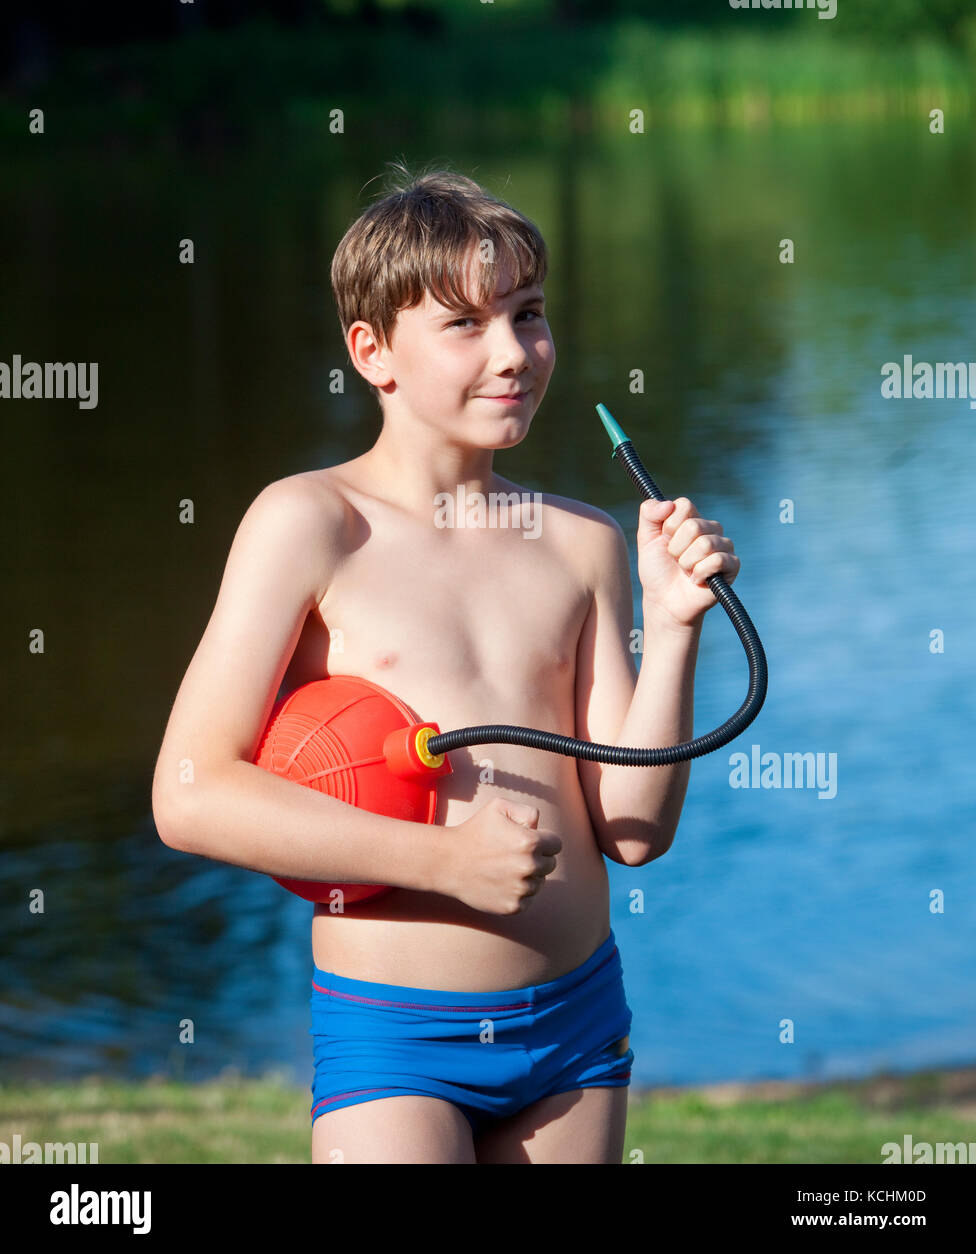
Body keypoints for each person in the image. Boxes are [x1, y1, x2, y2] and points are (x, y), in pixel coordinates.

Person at [151, 162, 740, 1164]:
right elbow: (192, 792)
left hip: (575, 1026)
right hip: (396, 1039)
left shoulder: (583, 542)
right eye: (464, 325)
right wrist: (443, 862)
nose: (512, 352)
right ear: (371, 351)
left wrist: (678, 624)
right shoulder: (311, 524)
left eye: (528, 313)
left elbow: (634, 832)